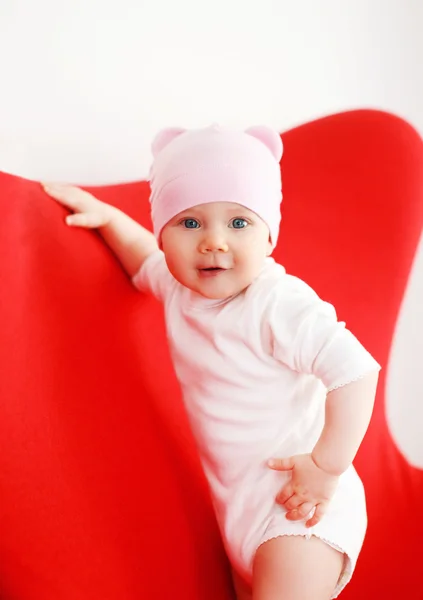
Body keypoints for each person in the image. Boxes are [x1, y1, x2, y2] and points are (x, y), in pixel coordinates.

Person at [42, 123, 380, 600]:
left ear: (268, 237)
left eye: (238, 223)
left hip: (301, 505)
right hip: (238, 511)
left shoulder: (276, 301)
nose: (214, 242)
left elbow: (356, 371)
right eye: (190, 222)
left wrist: (327, 465)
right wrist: (110, 219)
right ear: (164, 233)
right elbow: (141, 260)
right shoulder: (178, 287)